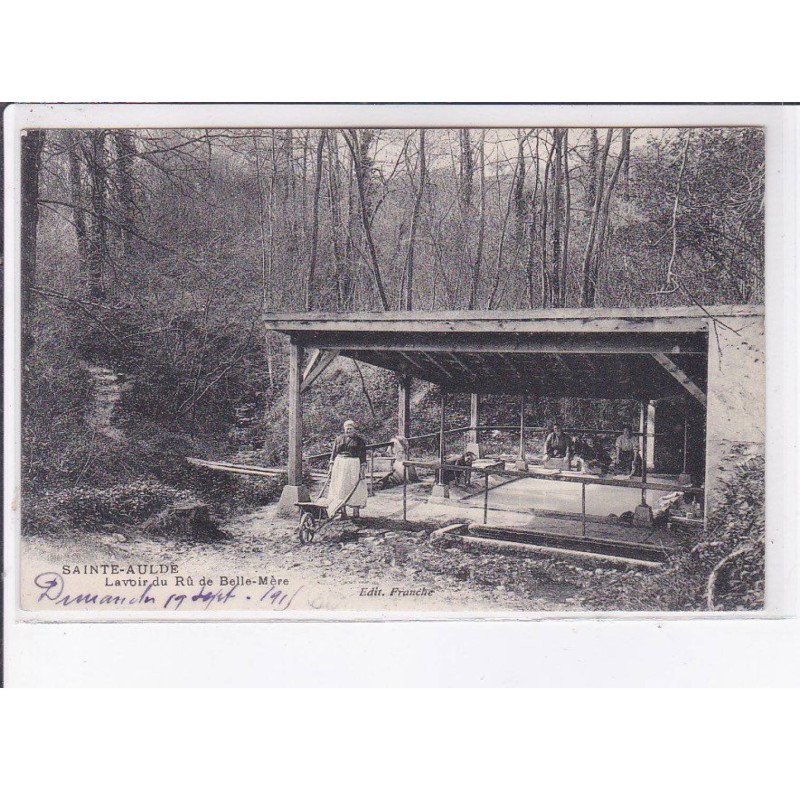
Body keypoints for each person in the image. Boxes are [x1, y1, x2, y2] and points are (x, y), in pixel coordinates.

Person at [327, 419, 368, 519]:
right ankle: (343, 512)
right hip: (340, 465)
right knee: (341, 487)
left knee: (356, 486)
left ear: (354, 429)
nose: (348, 430)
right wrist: (331, 468)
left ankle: (356, 513)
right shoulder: (339, 439)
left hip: (353, 465)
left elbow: (363, 457)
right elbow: (333, 454)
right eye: (346, 429)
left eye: (350, 428)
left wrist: (362, 470)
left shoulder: (360, 441)